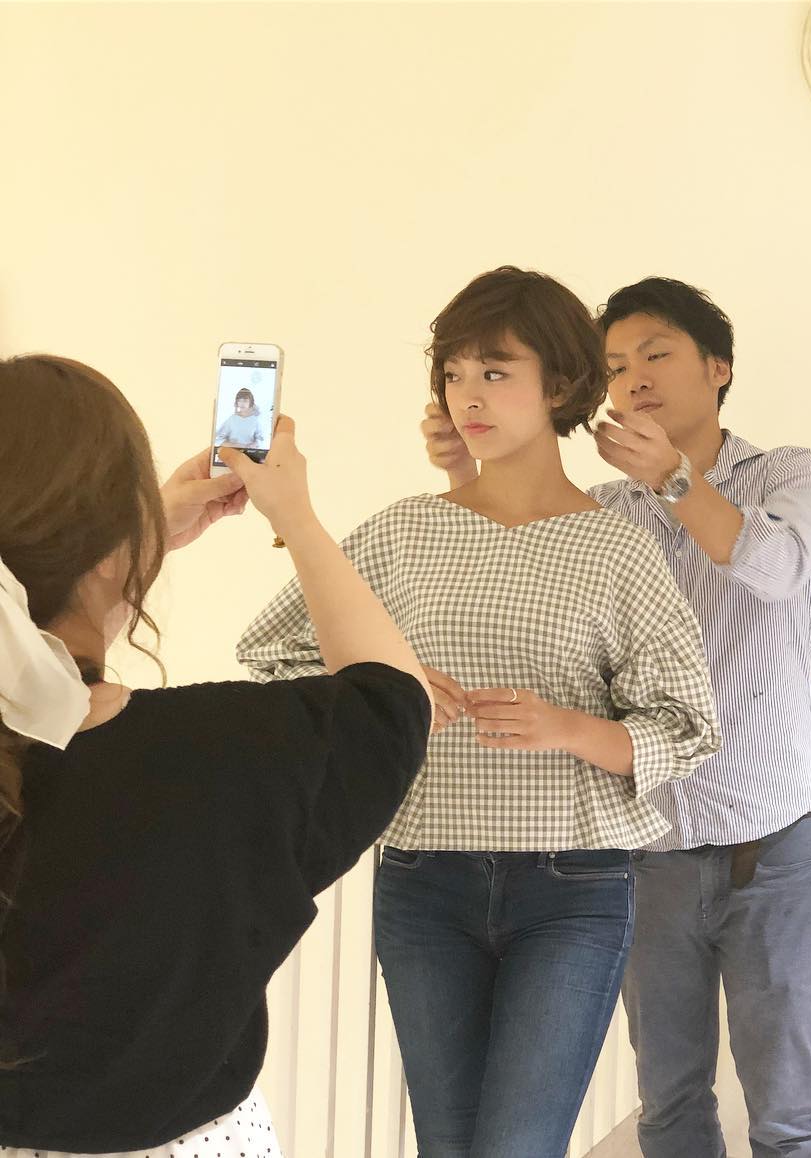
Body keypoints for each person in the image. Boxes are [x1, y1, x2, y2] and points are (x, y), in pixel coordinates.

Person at [238, 266, 720, 1158]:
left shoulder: (617, 549)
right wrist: (393, 682)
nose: (468, 396)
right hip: (424, 880)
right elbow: (279, 656)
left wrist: (563, 726)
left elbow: (688, 730)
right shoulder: (402, 532)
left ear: (561, 385)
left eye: (495, 372)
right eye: (454, 374)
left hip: (572, 890)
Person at [422, 276, 811, 1158]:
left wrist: (674, 479)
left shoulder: (789, 474)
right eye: (615, 365)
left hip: (770, 846)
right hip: (644, 853)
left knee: (789, 1111)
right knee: (670, 1102)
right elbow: (523, 612)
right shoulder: (607, 511)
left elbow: (774, 572)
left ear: (718, 366)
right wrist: (465, 476)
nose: (634, 378)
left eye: (657, 354)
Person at [0, 354, 432, 1158]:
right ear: (112, 548)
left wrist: (127, 545)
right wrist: (295, 518)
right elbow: (395, 700)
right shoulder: (222, 756)